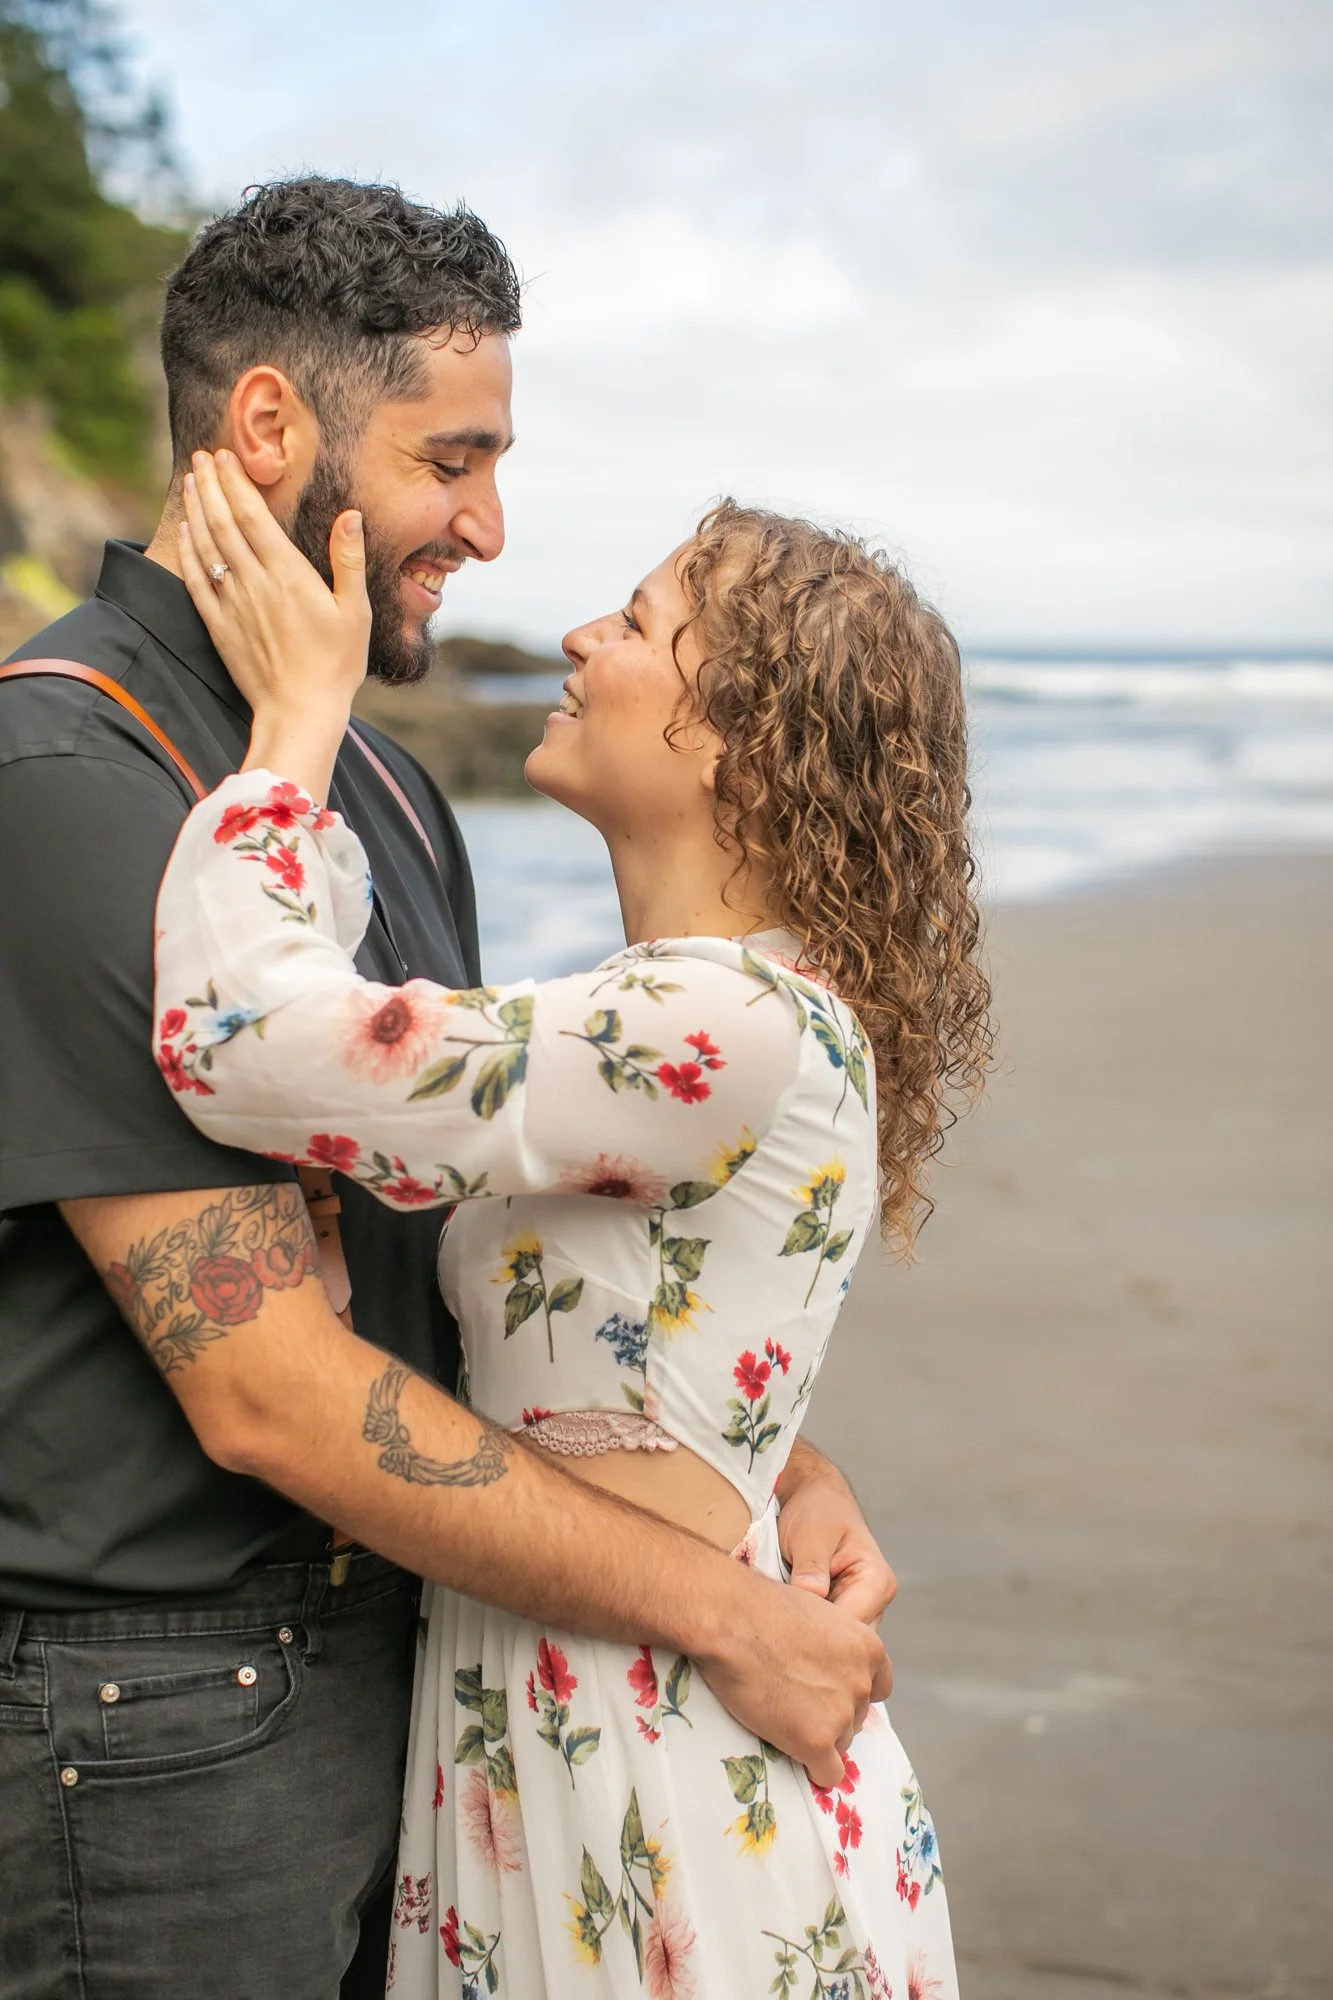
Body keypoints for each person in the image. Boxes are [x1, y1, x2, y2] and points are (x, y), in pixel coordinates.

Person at [0, 179, 896, 2000]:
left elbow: (466, 1236)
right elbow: (267, 1393)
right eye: (452, 457)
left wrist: (758, 1460)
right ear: (270, 426)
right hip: (163, 1719)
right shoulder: (58, 774)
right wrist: (725, 1605)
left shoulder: (385, 797)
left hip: (419, 1677)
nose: (491, 528)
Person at [148, 446, 991, 1998]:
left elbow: (249, 1044)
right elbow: (637, 1350)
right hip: (563, 1700)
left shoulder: (714, 1017)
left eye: (635, 620)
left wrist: (294, 727)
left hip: (646, 1746)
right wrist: (799, 1471)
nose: (578, 642)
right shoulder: (693, 1017)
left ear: (738, 740)